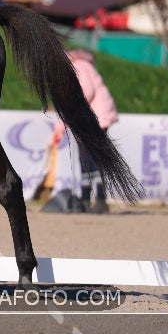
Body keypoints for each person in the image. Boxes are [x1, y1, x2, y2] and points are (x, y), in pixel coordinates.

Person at [52, 48, 118, 213]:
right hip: (92, 117)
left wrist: (62, 124)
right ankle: (86, 199)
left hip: (96, 118)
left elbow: (86, 92)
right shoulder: (81, 64)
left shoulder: (78, 65)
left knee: (92, 159)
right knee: (85, 159)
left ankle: (100, 201)